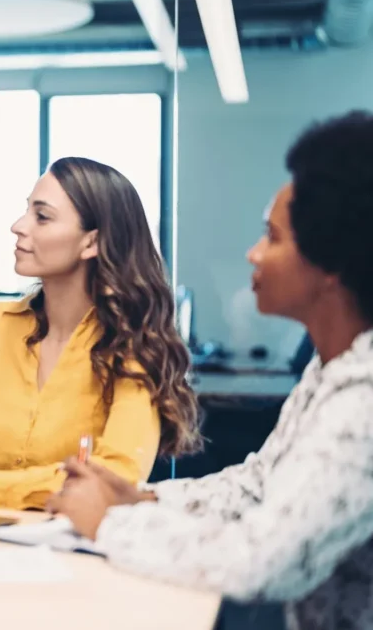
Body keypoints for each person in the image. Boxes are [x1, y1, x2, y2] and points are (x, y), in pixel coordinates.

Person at [48, 112, 373, 630]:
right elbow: (257, 485)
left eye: (272, 237)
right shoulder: (331, 369)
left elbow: (262, 560)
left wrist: (109, 523)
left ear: (330, 265)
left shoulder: (363, 404)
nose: (254, 253)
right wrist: (144, 497)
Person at [0, 157, 201, 510]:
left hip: (68, 551)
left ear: (91, 242)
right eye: (26, 211)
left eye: (42, 217)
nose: (18, 226)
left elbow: (116, 476)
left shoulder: (134, 348)